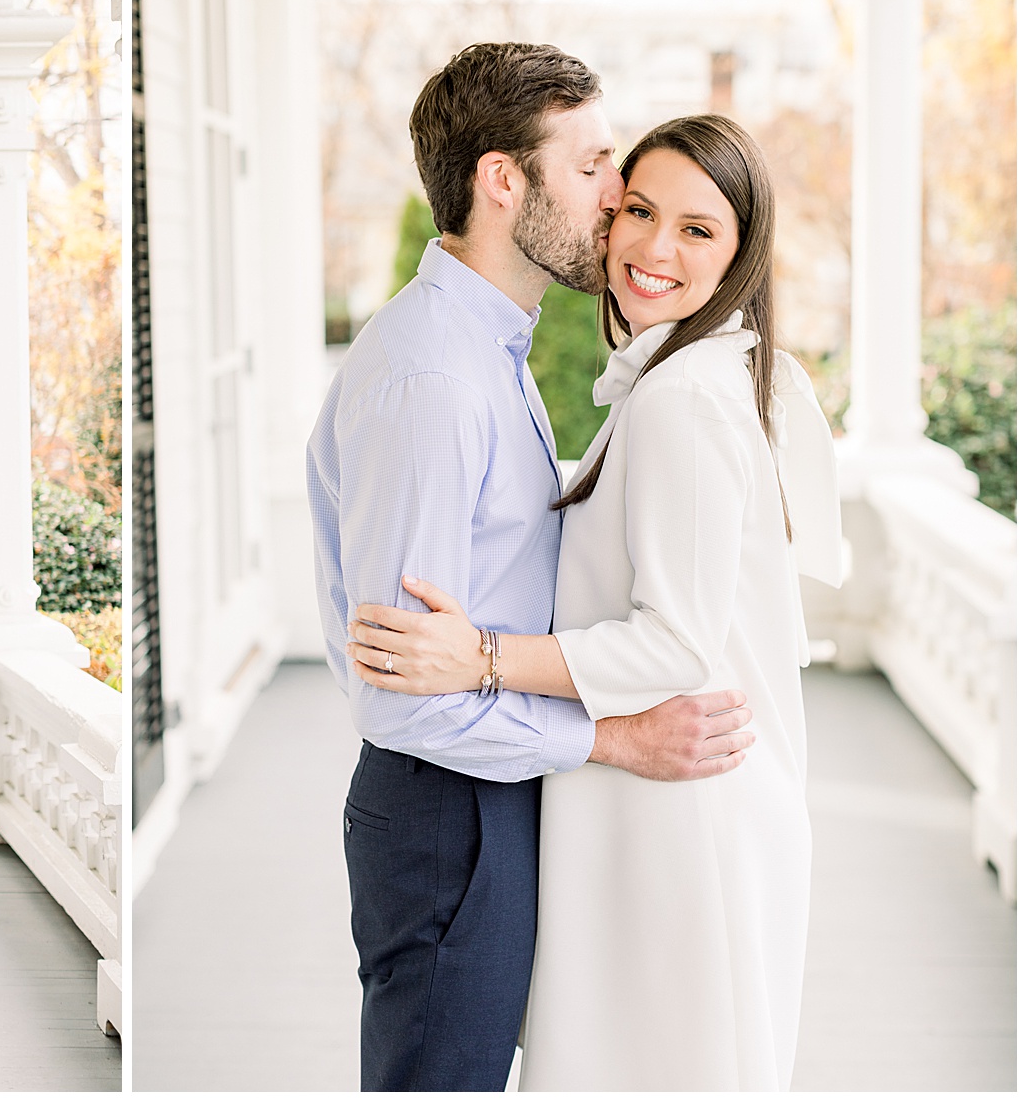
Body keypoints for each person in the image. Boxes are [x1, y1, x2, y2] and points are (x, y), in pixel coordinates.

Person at [346, 114, 842, 1090]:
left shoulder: (684, 400)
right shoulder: (675, 382)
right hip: (657, 804)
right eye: (641, 211)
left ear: (744, 253)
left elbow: (674, 640)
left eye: (699, 230)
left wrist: (482, 655)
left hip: (683, 816)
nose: (656, 247)